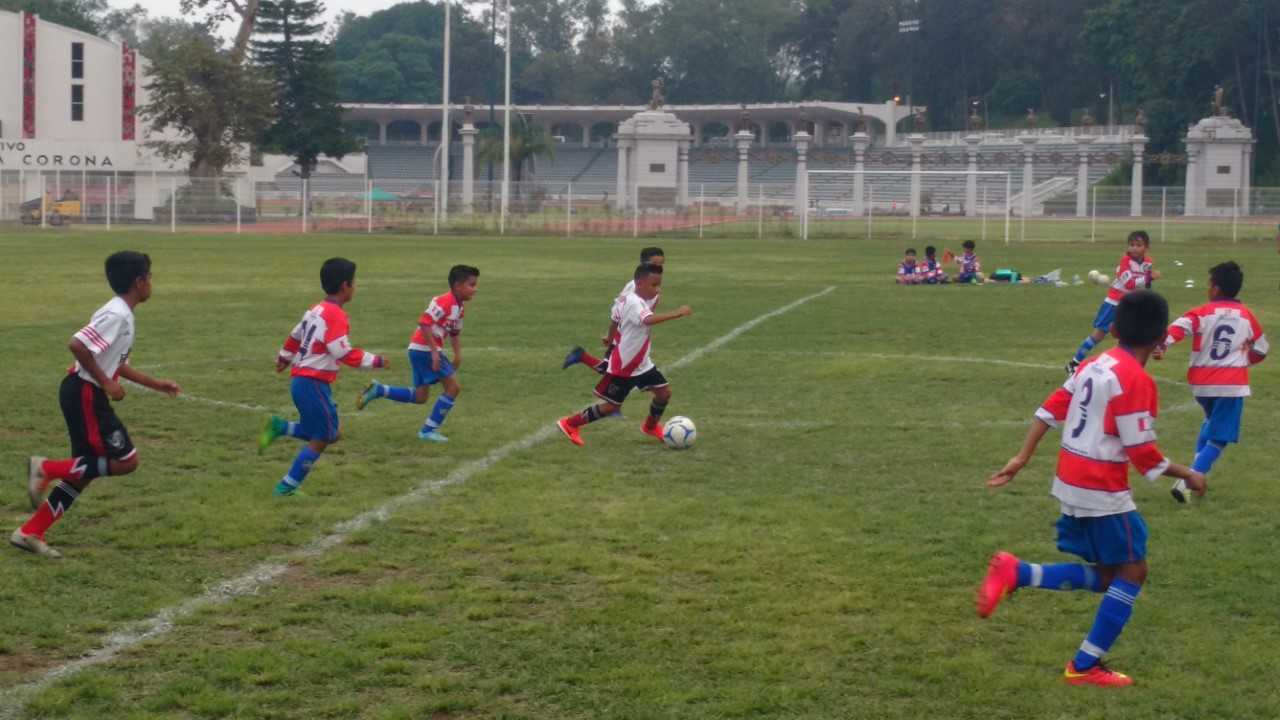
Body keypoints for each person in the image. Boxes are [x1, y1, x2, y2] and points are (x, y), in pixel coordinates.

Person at [978, 290, 1207, 687]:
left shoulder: (1094, 363)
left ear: (1114, 329)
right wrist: (1188, 473)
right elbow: (1141, 451)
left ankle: (1018, 572)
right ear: (1159, 339)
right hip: (1100, 485)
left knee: (1108, 574)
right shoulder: (1135, 380)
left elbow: (1051, 408)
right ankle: (1083, 666)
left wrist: (1022, 457)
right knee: (1134, 570)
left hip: (1070, 478)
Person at [14, 251, 181, 558]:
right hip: (85, 392)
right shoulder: (116, 314)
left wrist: (156, 384)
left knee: (85, 471)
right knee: (127, 461)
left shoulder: (123, 315)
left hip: (84, 391)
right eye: (150, 278)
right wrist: (106, 383)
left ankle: (30, 532)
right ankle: (46, 468)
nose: (151, 284)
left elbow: (118, 364)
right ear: (139, 282)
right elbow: (77, 344)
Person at [258, 258, 386, 496]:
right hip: (312, 384)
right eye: (354, 282)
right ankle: (287, 487)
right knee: (324, 437)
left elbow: (295, 335)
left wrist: (284, 357)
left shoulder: (315, 310)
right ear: (345, 286)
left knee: (332, 433)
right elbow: (342, 351)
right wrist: (375, 361)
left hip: (303, 382)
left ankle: (281, 427)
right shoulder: (335, 314)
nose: (355, 287)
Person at [1155, 261, 1268, 501]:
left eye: (1209, 284)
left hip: (1201, 385)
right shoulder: (1246, 315)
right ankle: (1188, 480)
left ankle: (1195, 478)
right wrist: (1245, 359)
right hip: (1231, 384)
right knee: (1219, 437)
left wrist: (1163, 346)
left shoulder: (1201, 312)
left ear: (1215, 289)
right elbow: (1262, 349)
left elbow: (1178, 327)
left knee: (1210, 422)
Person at [557, 263, 691, 447]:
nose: (657, 289)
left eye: (659, 285)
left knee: (663, 393)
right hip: (626, 365)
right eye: (654, 285)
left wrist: (611, 336)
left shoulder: (639, 300)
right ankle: (570, 423)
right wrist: (677, 313)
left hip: (642, 363)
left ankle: (650, 427)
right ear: (640, 283)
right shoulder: (634, 301)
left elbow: (617, 320)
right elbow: (647, 319)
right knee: (611, 406)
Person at [356, 265, 480, 443]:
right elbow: (424, 322)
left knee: (420, 396)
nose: (475, 289)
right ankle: (428, 431)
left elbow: (454, 333)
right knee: (453, 388)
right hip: (424, 350)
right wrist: (435, 353)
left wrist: (458, 355)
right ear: (458, 285)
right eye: (472, 285)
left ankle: (379, 390)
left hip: (419, 350)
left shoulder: (459, 308)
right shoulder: (444, 301)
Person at [1066, 231, 1160, 375]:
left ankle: (1129, 367)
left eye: (1139, 245)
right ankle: (1074, 363)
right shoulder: (1125, 262)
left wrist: (1146, 288)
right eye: (1132, 245)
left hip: (1131, 303)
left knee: (1132, 335)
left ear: (1146, 247)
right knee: (1099, 335)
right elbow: (1129, 283)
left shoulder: (1148, 262)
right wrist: (1149, 279)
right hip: (1114, 302)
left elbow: (1143, 285)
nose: (1134, 248)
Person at [563, 247, 665, 375]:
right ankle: (581, 356)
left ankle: (581, 356)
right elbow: (619, 308)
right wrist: (612, 334)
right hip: (624, 333)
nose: (659, 267)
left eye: (661, 264)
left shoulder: (651, 284)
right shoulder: (635, 286)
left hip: (632, 333)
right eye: (655, 264)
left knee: (611, 369)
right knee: (612, 370)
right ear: (643, 264)